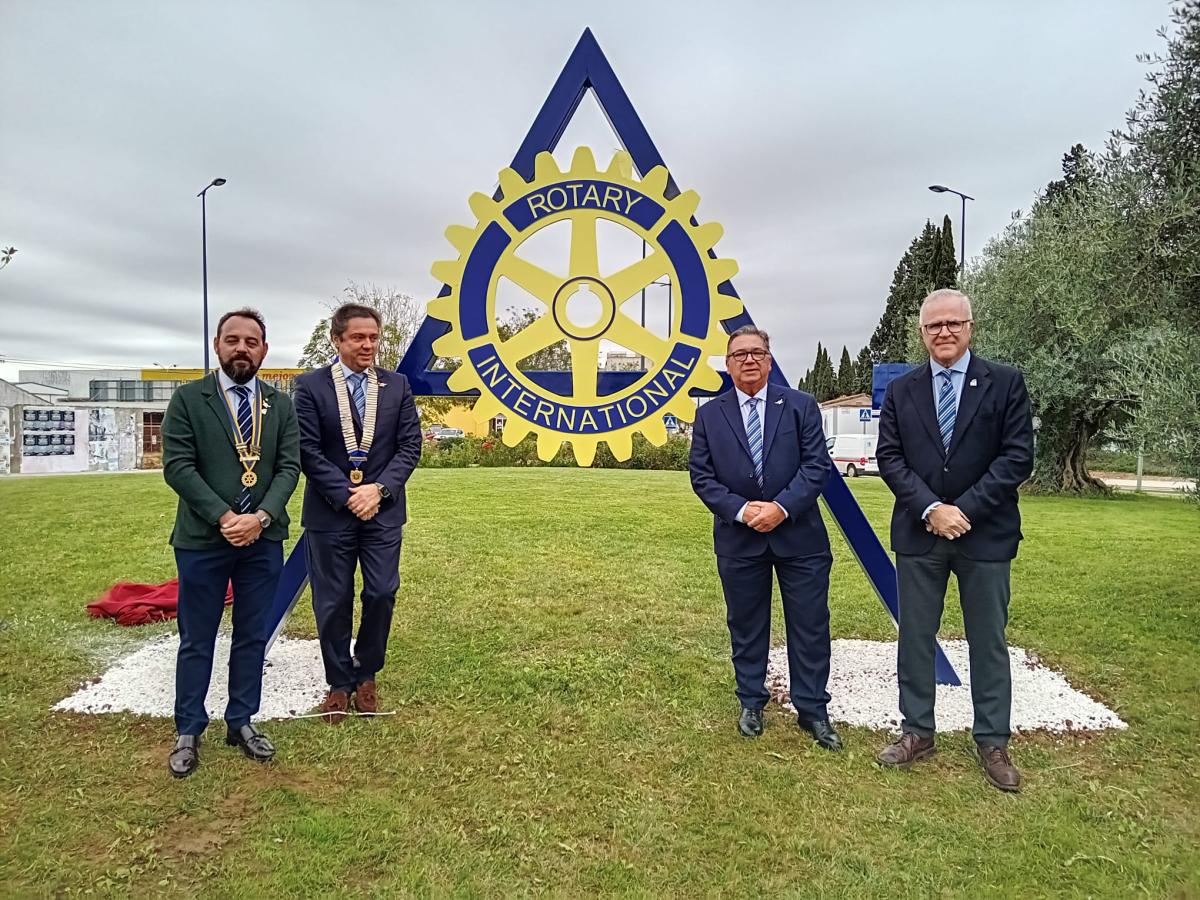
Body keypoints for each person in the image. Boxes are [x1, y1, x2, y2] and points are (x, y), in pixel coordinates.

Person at [875, 288, 1034, 792]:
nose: (943, 332)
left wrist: (962, 510)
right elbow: (890, 458)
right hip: (920, 535)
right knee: (915, 637)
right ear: (922, 333)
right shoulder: (903, 391)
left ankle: (992, 740)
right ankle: (917, 732)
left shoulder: (1005, 383)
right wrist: (931, 509)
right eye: (933, 326)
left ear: (970, 327)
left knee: (988, 641)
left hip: (984, 536)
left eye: (953, 324)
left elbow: (1016, 458)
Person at [161, 308, 300, 778]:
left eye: (252, 341)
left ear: (264, 349)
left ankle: (240, 720)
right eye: (232, 340)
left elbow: (288, 468)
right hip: (204, 537)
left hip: (262, 538)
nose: (242, 348)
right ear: (217, 346)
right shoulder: (188, 399)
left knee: (251, 634)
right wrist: (224, 516)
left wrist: (260, 518)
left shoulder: (279, 405)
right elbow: (178, 467)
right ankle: (188, 728)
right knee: (196, 637)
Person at [688, 325, 840, 750]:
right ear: (728, 364)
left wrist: (780, 508)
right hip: (740, 541)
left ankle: (812, 709)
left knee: (810, 627)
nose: (749, 360)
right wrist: (741, 510)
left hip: (800, 539)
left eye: (757, 353)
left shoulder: (800, 406)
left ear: (770, 360)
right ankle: (751, 701)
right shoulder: (709, 416)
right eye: (740, 354)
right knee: (747, 626)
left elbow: (816, 467)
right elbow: (702, 477)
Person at [293, 303, 422, 723]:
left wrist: (379, 490)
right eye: (358, 338)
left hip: (382, 513)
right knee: (332, 600)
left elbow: (409, 447)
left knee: (381, 592)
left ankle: (366, 674)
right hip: (330, 513)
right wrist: (348, 494)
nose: (368, 345)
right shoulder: (310, 387)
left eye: (373, 337)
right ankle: (339, 683)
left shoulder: (397, 386)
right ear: (337, 340)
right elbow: (306, 451)